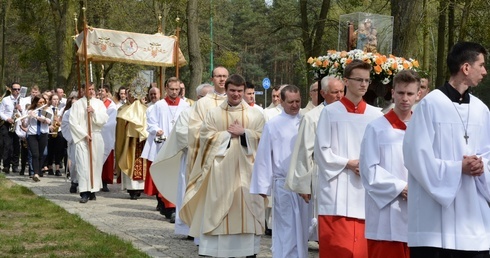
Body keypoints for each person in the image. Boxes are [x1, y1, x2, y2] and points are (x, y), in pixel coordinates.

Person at [403, 42, 490, 258]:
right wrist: (458, 167)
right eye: (482, 65)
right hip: (435, 221)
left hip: (473, 219)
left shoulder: (481, 109)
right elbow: (416, 156)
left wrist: (481, 166)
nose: (485, 71)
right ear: (466, 68)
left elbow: (487, 153)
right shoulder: (430, 105)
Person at [180, 74, 265, 258]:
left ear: (244, 91)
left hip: (247, 173)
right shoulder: (214, 114)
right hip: (220, 172)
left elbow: (263, 139)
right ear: (225, 90)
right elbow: (205, 138)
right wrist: (227, 134)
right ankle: (217, 252)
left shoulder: (255, 114)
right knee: (219, 210)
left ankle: (247, 252)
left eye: (239, 91)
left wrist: (244, 133)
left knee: (247, 211)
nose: (236, 94)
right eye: (232, 90)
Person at [314, 60, 383, 258]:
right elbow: (321, 151)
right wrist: (348, 163)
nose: (363, 84)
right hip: (337, 190)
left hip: (365, 190)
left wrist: (370, 166)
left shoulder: (376, 115)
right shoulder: (329, 112)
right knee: (336, 248)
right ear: (346, 81)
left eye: (367, 80)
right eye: (358, 79)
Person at [360, 70, 420, 258]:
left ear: (418, 95)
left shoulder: (423, 128)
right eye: (401, 93)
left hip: (418, 215)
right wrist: (402, 188)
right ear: (392, 93)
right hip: (387, 217)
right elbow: (368, 170)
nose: (405, 98)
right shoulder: (376, 128)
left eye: (410, 94)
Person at [251, 85, 309, 257]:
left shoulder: (307, 121)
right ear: (282, 102)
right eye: (290, 102)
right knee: (286, 227)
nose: (295, 105)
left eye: (298, 101)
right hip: (283, 184)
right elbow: (264, 156)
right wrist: (263, 186)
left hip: (304, 186)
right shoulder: (273, 125)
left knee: (303, 228)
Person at [285, 76, 345, 242]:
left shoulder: (348, 113)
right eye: (335, 92)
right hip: (322, 174)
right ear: (323, 93)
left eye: (342, 91)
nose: (340, 96)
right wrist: (304, 184)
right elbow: (305, 151)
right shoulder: (312, 117)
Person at [150, 83, 213, 239]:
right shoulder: (188, 113)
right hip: (192, 157)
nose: (210, 100)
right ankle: (188, 227)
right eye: (206, 97)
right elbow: (182, 134)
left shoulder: (216, 113)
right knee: (188, 192)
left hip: (211, 160)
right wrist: (206, 140)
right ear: (199, 98)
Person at [143, 78, 189, 220]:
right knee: (165, 174)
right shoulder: (158, 106)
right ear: (166, 89)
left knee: (176, 176)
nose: (175, 92)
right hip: (162, 145)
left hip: (179, 145)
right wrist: (157, 130)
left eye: (177, 89)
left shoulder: (186, 106)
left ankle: (172, 207)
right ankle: (166, 205)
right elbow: (151, 123)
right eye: (172, 89)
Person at [185, 66, 229, 190]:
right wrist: (217, 137)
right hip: (209, 154)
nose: (222, 79)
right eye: (218, 76)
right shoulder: (203, 103)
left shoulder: (237, 101)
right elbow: (194, 129)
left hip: (231, 155)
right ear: (212, 79)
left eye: (224, 76)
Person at [69, 84, 108, 203]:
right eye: (88, 89)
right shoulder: (77, 105)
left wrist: (94, 112)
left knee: (95, 165)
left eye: (92, 89)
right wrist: (84, 135)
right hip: (82, 138)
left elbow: (104, 119)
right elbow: (73, 122)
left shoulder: (99, 103)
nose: (91, 91)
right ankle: (84, 192)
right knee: (83, 165)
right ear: (83, 90)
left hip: (95, 136)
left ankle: (93, 190)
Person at [25, 96, 52, 182]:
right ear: (36, 103)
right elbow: (25, 124)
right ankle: (35, 174)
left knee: (41, 154)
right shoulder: (31, 111)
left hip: (43, 134)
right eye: (40, 102)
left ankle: (38, 171)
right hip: (32, 134)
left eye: (43, 102)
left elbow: (48, 121)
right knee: (35, 154)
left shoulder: (46, 111)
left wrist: (36, 117)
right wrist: (26, 118)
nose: (42, 104)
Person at [0, 82, 22, 173]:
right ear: (11, 90)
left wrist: (21, 109)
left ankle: (15, 165)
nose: (17, 91)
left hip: (18, 124)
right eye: (15, 89)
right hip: (7, 124)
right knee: (7, 146)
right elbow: (0, 112)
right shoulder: (6, 100)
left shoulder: (22, 100)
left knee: (17, 146)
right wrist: (7, 118)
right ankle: (6, 165)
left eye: (18, 89)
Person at [100, 85, 117, 192]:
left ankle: (105, 181)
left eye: (102, 91)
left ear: (107, 93)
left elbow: (111, 120)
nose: (100, 92)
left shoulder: (111, 105)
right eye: (99, 90)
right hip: (96, 133)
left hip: (106, 134)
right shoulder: (96, 103)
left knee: (107, 160)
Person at [61, 96, 78, 193]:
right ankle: (74, 182)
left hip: (84, 140)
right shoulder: (68, 113)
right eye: (73, 104)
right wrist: (71, 138)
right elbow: (65, 125)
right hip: (74, 140)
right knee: (74, 163)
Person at [45, 94, 64, 176]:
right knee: (50, 150)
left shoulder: (60, 110)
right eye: (54, 99)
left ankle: (57, 168)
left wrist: (59, 122)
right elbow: (45, 121)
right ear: (50, 100)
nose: (56, 101)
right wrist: (50, 126)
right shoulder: (47, 110)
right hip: (50, 131)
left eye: (57, 99)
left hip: (58, 131)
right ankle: (50, 168)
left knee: (58, 150)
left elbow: (62, 121)